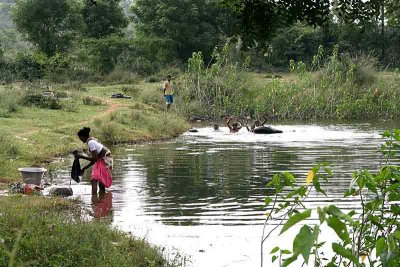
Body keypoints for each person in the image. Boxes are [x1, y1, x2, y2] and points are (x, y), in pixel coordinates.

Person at [76, 127, 113, 194]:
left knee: (94, 180)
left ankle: (95, 201)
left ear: (82, 137)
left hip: (104, 161)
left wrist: (81, 156)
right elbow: (94, 160)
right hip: (104, 160)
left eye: (80, 138)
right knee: (100, 182)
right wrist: (85, 168)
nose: (80, 140)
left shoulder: (91, 143)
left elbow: (95, 158)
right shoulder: (92, 141)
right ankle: (102, 200)